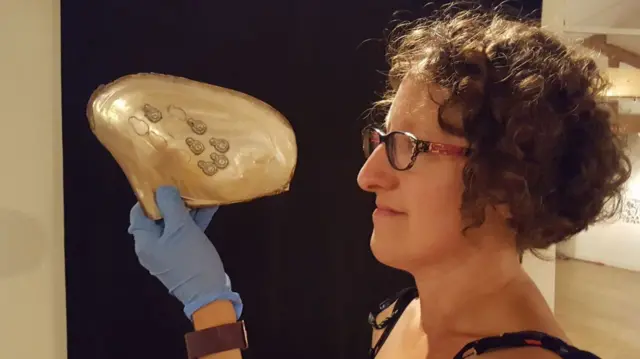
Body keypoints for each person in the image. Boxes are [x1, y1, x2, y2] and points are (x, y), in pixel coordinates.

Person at [127, 4, 630, 359]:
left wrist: (210, 307)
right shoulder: (402, 315)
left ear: (507, 181)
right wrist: (210, 305)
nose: (368, 177)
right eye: (383, 140)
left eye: (409, 147)